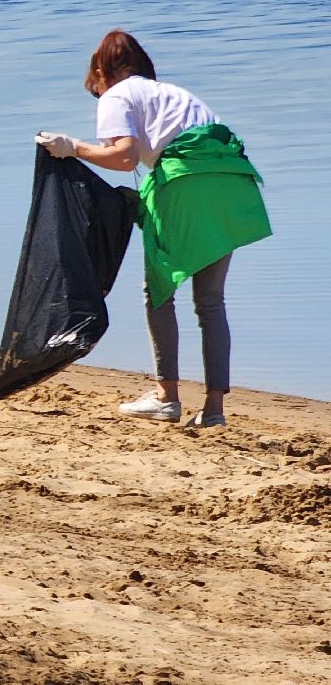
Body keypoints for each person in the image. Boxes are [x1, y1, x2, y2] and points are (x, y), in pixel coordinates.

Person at [36, 30, 271, 428]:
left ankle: (167, 397)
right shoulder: (174, 94)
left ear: (101, 71)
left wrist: (72, 147)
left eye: (96, 85)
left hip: (185, 183)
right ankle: (214, 411)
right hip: (232, 181)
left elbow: (124, 157)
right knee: (210, 303)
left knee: (158, 293)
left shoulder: (116, 94)